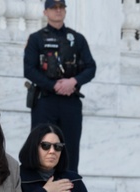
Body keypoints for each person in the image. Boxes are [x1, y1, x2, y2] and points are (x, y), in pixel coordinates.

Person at [24, 0, 97, 172]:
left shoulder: (77, 39)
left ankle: (69, 189)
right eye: (53, 8)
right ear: (45, 12)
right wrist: (54, 85)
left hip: (69, 102)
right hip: (45, 101)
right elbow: (29, 70)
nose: (58, 11)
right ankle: (39, 187)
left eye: (61, 8)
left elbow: (91, 67)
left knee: (69, 147)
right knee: (41, 144)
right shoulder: (36, 39)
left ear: (65, 11)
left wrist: (73, 82)